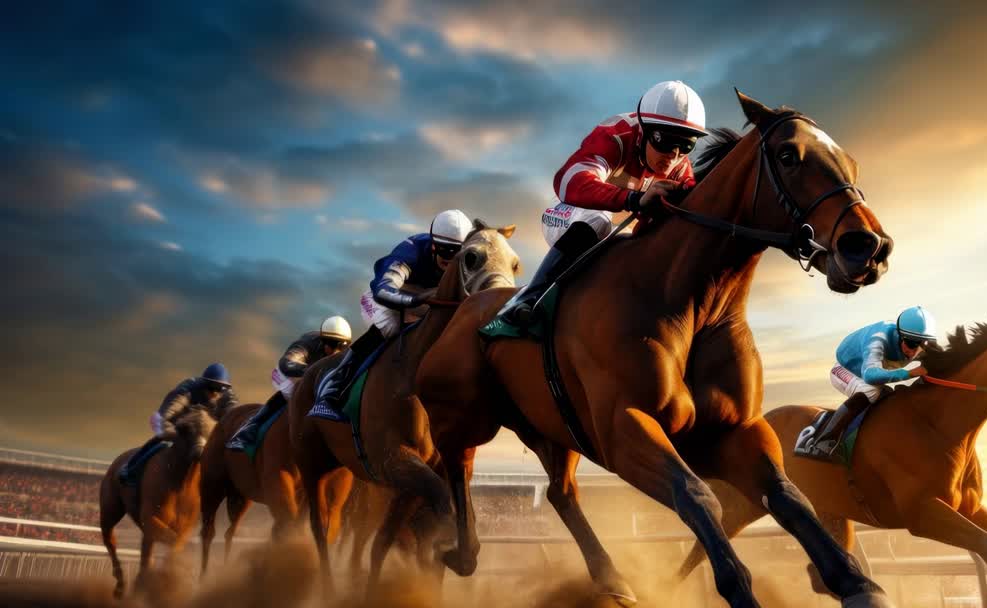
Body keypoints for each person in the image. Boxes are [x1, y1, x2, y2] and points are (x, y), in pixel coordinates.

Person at [491, 80, 708, 328]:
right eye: (665, 141)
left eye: (687, 145)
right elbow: (568, 181)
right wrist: (634, 199)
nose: (674, 155)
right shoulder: (616, 136)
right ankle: (529, 299)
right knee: (597, 220)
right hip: (571, 213)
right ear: (645, 129)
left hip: (621, 230)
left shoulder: (680, 166)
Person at [309, 209, 471, 421]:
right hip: (386, 300)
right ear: (433, 244)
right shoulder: (411, 250)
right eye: (444, 250)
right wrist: (416, 300)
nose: (450, 258)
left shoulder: (469, 260)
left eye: (457, 252)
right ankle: (332, 389)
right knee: (389, 326)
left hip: (427, 301)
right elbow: (383, 290)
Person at [801, 306, 937, 461]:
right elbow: (870, 376)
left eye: (922, 345)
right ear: (900, 336)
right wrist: (909, 373)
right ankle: (825, 441)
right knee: (870, 391)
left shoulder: (921, 344)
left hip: (872, 375)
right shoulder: (879, 338)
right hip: (844, 370)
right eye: (911, 344)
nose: (914, 352)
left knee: (891, 398)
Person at [226, 316, 352, 450]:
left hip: (311, 372)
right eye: (331, 344)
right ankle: (249, 429)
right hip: (286, 374)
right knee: (297, 391)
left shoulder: (346, 352)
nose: (335, 352)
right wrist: (315, 372)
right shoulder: (307, 343)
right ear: (323, 340)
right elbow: (287, 364)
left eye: (341, 347)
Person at [120, 363, 236, 504]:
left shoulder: (228, 397)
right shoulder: (187, 390)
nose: (215, 393)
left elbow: (232, 420)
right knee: (162, 441)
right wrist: (174, 434)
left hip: (208, 432)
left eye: (219, 389)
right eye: (211, 388)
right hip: (182, 426)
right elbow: (164, 417)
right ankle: (131, 468)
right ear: (204, 384)